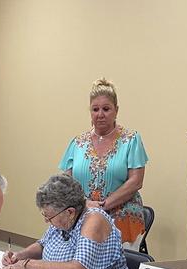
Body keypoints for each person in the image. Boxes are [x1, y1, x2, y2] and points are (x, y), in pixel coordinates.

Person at [0, 173, 131, 269]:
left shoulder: (94, 220)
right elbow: (42, 245)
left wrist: (27, 264)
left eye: (49, 217)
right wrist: (19, 255)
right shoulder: (63, 217)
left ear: (70, 212)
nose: (46, 221)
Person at [60, 78, 149, 248]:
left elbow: (136, 181)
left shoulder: (131, 140)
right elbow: (67, 182)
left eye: (106, 109)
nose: (100, 114)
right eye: (95, 109)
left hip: (123, 218)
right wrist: (85, 204)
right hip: (83, 215)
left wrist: (102, 206)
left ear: (116, 110)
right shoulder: (77, 143)